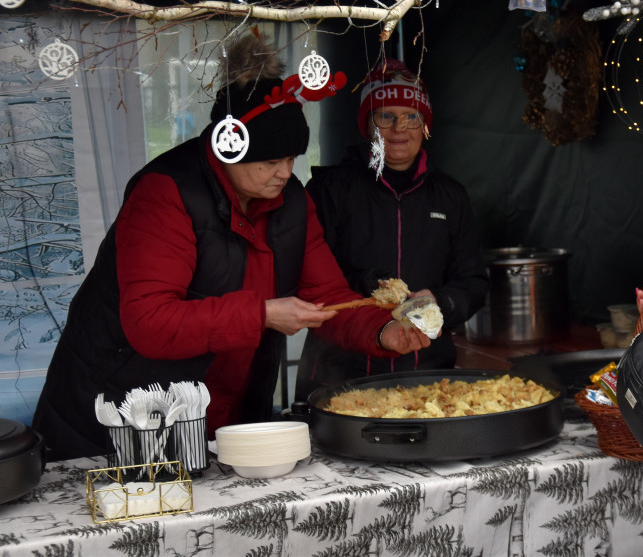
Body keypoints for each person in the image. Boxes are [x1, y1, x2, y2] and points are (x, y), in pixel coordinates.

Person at [33, 35, 430, 461]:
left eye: (292, 158)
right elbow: (149, 322)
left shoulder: (292, 202)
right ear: (228, 149)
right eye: (269, 161)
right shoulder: (166, 194)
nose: (284, 173)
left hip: (223, 418)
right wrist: (262, 314)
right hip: (117, 419)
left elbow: (327, 297)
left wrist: (383, 331)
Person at [295, 59, 487, 399]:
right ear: (366, 124)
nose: (399, 128)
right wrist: (366, 283)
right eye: (385, 116)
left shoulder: (450, 195)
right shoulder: (330, 189)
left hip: (428, 373)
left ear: (425, 124)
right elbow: (307, 279)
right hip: (339, 373)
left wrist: (440, 302)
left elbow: (472, 283)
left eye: (412, 116)